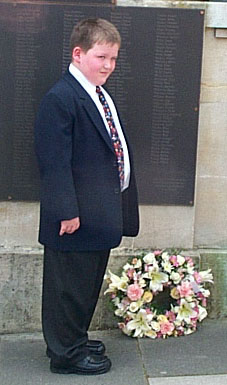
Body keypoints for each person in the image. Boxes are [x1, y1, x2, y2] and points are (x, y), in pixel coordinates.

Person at [34, 18, 139, 376]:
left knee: (85, 285)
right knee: (68, 289)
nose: (108, 65)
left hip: (98, 213)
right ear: (78, 54)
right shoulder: (61, 98)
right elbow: (54, 162)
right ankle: (65, 354)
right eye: (101, 57)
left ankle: (74, 338)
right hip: (74, 217)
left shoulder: (97, 92)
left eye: (113, 58)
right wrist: (66, 211)